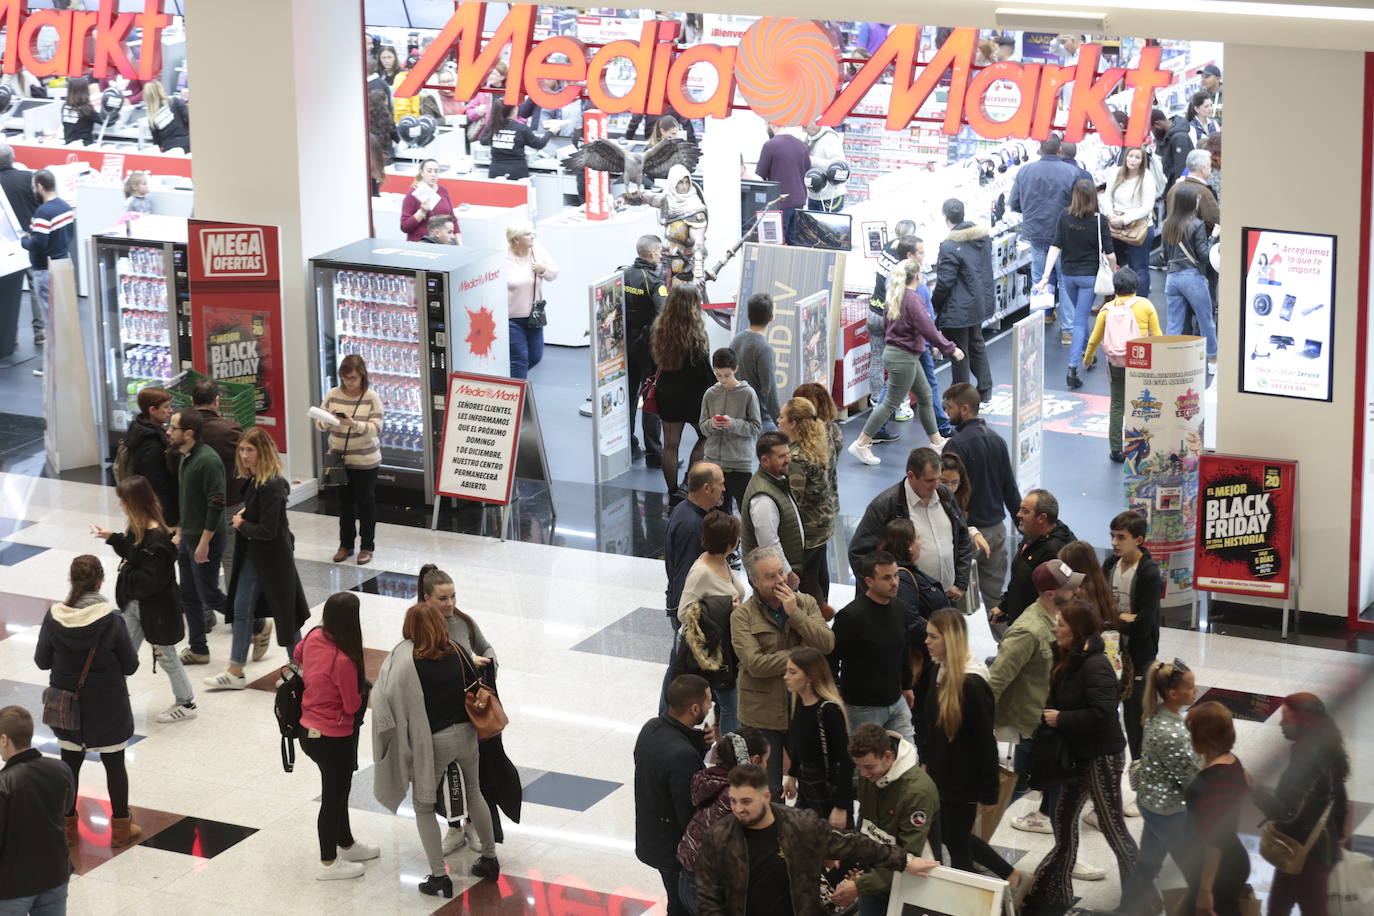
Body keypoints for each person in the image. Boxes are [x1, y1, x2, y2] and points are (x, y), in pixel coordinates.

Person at [372, 604, 500, 896]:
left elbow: (389, 700)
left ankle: (440, 876)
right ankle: (490, 858)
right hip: (467, 732)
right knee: (474, 792)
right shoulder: (456, 649)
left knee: (424, 806)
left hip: (435, 741)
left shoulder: (409, 662)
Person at [694, 762, 938, 915]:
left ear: (767, 796)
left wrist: (904, 860)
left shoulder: (800, 826)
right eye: (734, 801)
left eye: (746, 801)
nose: (738, 809)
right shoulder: (719, 836)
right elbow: (707, 895)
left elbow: (851, 843)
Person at [1020, 600, 1138, 914]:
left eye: (1061, 624)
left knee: (1113, 828)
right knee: (1063, 820)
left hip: (1101, 757)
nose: (1055, 628)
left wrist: (1063, 719)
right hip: (1078, 756)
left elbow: (1104, 712)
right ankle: (1051, 893)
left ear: (1077, 630)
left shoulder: (1096, 663)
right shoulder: (1069, 658)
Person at [35, 556, 142, 849]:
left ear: (72, 581)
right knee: (114, 764)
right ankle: (120, 828)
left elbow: (41, 661)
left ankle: (68, 828)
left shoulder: (54, 617)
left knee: (69, 764)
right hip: (108, 706)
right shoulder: (112, 619)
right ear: (100, 581)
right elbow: (130, 665)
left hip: (67, 706)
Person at [415, 564, 515, 848]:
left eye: (453, 597)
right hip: (438, 713)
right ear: (426, 598)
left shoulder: (464, 622)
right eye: (443, 599)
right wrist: (466, 663)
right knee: (445, 776)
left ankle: (472, 824)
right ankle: (453, 826)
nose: (450, 604)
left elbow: (487, 648)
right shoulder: (419, 627)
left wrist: (486, 663)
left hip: (469, 712)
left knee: (475, 773)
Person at [921, 609, 1021, 892]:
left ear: (949, 639)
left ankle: (978, 892)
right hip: (941, 771)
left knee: (956, 842)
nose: (926, 641)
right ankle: (1011, 876)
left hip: (964, 778)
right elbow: (933, 725)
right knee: (952, 836)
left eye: (932, 636)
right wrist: (928, 762)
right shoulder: (937, 670)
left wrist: (989, 790)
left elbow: (984, 741)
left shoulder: (973, 682)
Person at [206, 427, 310, 688]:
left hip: (273, 559)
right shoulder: (255, 482)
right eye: (241, 450)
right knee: (242, 609)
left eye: (249, 450)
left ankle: (298, 667)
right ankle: (235, 669)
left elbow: (268, 530)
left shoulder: (272, 485)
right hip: (255, 557)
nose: (243, 455)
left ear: (261, 452)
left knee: (286, 613)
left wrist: (241, 524)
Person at [92, 475, 196, 723]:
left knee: (167, 657)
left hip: (156, 610)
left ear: (135, 502)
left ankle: (186, 703)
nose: (121, 505)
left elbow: (150, 580)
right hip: (135, 605)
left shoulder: (156, 539)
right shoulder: (138, 530)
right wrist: (112, 538)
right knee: (122, 653)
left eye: (123, 501)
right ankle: (113, 698)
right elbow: (131, 551)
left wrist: (126, 569)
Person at [732, 547, 834, 795]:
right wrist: (802, 655)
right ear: (754, 581)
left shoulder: (806, 603)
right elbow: (756, 665)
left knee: (816, 786)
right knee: (767, 791)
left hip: (803, 709)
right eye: (770, 576)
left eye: (781, 573)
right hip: (761, 716)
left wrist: (796, 615)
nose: (780, 580)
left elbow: (827, 644)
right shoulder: (742, 617)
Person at [294, 593, 378, 880]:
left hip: (308, 730)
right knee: (333, 798)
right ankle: (329, 862)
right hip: (334, 738)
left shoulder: (315, 635)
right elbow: (352, 705)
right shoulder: (344, 659)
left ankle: (346, 843)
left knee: (338, 790)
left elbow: (297, 654)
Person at [993, 560, 1079, 835]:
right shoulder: (1028, 630)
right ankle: (971, 839)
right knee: (1018, 784)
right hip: (1033, 726)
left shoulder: (1057, 618)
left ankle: (1065, 853)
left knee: (1055, 786)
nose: (1075, 591)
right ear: (1050, 593)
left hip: (1053, 724)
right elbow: (996, 679)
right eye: (1069, 587)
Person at [849, 257, 962, 465]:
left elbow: (892, 325)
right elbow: (926, 327)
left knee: (926, 396)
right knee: (890, 402)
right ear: (918, 276)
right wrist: (950, 348)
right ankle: (861, 443)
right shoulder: (912, 299)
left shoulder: (896, 295)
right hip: (903, 357)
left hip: (901, 354)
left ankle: (936, 442)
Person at [829, 724, 941, 915]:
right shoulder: (872, 775)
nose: (863, 774)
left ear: (888, 756)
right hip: (875, 878)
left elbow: (908, 857)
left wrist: (860, 886)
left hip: (912, 883)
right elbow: (864, 824)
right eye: (859, 767)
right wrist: (849, 855)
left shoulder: (917, 792)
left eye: (868, 767)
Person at [1256, 693, 1351, 916]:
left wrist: (1254, 792)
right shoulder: (1322, 746)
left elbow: (1288, 812)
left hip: (1308, 851)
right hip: (1301, 847)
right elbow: (1339, 796)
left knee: (1309, 908)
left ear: (1304, 722)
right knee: (1279, 904)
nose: (1280, 724)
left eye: (1286, 720)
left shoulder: (1309, 758)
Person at [1120, 659, 1199, 916]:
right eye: (1191, 686)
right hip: (1169, 811)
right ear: (1173, 693)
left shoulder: (1157, 717)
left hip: (1153, 803)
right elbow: (1188, 779)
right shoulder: (1172, 731)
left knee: (1147, 864)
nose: (1195, 690)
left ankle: (1127, 909)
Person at [849, 447, 973, 608]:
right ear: (911, 476)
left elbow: (963, 537)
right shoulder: (885, 505)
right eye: (929, 480)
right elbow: (858, 553)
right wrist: (886, 594)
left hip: (945, 598)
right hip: (907, 603)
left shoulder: (945, 496)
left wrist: (961, 582)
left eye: (938, 479)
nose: (936, 485)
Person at [635, 674, 714, 916]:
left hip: (652, 837)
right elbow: (689, 812)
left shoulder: (650, 728)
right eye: (709, 702)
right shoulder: (682, 756)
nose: (711, 706)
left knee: (675, 900)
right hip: (675, 850)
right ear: (694, 708)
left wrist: (698, 744)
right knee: (683, 906)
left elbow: (666, 764)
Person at [942, 381, 1020, 614]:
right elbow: (1010, 487)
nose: (947, 413)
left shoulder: (956, 444)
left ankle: (954, 647)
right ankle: (1006, 646)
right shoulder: (998, 440)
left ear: (964, 409)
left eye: (950, 408)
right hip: (997, 530)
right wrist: (1022, 524)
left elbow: (948, 494)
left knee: (953, 596)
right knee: (996, 598)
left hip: (968, 533)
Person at [677, 729, 769, 914]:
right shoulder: (738, 799)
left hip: (688, 878)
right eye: (766, 760)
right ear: (755, 761)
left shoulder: (710, 780)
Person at [1037, 178, 1117, 385]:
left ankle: (1086, 351)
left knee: (1079, 315)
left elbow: (1055, 246)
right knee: (1080, 320)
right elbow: (1109, 252)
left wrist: (1046, 276)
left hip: (1068, 276)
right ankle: (1072, 368)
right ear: (1093, 196)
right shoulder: (1099, 221)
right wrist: (1114, 271)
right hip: (1089, 278)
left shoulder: (1065, 216)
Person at [830, 551, 914, 741]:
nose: (894, 582)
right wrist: (836, 697)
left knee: (908, 758)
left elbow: (903, 651)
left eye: (895, 576)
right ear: (869, 581)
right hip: (862, 708)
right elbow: (831, 659)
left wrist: (907, 685)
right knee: (867, 766)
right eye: (886, 578)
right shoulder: (850, 616)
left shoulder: (900, 609)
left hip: (896, 701)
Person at [676, 509, 746, 734]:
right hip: (707, 650)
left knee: (729, 702)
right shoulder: (701, 572)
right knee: (730, 704)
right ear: (729, 543)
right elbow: (684, 612)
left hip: (724, 644)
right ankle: (729, 753)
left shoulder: (722, 562)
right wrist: (725, 608)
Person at [1100, 510, 1162, 761]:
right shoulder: (1110, 565)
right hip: (1110, 650)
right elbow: (1100, 608)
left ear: (1138, 540)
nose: (1114, 542)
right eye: (1112, 536)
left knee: (1136, 718)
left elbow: (1143, 625)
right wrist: (1121, 618)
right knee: (1105, 708)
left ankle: (1140, 769)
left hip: (1140, 655)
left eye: (1121, 537)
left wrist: (1113, 620)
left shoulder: (1149, 573)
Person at [0, 705, 74, 913]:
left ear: (5, 739)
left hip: (13, 886)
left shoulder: (4, 783)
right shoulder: (61, 769)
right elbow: (66, 809)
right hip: (55, 873)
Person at [1082, 268, 1161, 462]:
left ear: (1114, 288)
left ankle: (1116, 450)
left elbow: (1093, 340)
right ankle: (1143, 447)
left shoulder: (1106, 311)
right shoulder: (1146, 306)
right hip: (1142, 363)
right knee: (1144, 404)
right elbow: (1158, 336)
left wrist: (1088, 359)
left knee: (1118, 405)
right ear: (1136, 286)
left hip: (1116, 362)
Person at [1180, 702, 1251, 916]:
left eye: (1191, 730)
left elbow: (1215, 839)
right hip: (1224, 863)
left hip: (1218, 871)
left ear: (1203, 735)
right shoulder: (1231, 761)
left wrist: (1205, 890)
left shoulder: (1216, 779)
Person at [169, 408, 227, 665]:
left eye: (173, 428)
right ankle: (198, 648)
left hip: (206, 539)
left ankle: (257, 623)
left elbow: (216, 504)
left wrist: (203, 543)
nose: (169, 432)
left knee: (209, 595)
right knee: (189, 595)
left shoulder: (208, 461)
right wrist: (180, 530)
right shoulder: (186, 456)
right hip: (189, 537)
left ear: (189, 433)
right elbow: (188, 501)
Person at [1009, 136, 1081, 334]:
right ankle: (1068, 330)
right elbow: (1080, 205)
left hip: (1036, 233)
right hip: (1066, 235)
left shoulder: (1024, 171)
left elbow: (1014, 203)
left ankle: (1037, 326)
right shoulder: (1072, 172)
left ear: (1039, 150)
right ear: (1059, 150)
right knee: (1066, 281)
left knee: (1041, 278)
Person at [317, 354, 384, 565]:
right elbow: (319, 423)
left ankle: (367, 547)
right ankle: (345, 545)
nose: (349, 382)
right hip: (338, 458)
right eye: (345, 378)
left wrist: (353, 424)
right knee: (344, 504)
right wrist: (329, 420)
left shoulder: (371, 397)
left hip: (365, 460)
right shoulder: (333, 394)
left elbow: (376, 429)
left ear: (362, 375)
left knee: (366, 503)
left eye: (353, 378)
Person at [652, 284, 715, 501]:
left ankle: (672, 491)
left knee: (670, 444)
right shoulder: (696, 334)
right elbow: (704, 374)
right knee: (707, 435)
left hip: (667, 393)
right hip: (693, 396)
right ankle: (688, 483)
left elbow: (653, 361)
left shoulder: (659, 328)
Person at [780, 647, 852, 828]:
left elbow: (846, 759)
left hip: (829, 790)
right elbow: (799, 745)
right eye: (787, 671)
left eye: (792, 672)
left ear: (810, 677)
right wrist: (792, 775)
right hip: (807, 786)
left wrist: (841, 806)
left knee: (834, 848)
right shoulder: (799, 704)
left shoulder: (829, 710)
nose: (786, 676)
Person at [778, 397, 838, 605]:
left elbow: (793, 502)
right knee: (820, 571)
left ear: (793, 423)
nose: (778, 420)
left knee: (808, 579)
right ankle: (824, 611)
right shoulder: (819, 441)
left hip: (809, 530)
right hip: (824, 523)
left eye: (782, 417)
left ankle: (816, 620)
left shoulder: (795, 458)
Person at [932, 198, 996, 395]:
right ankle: (985, 389)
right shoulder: (982, 238)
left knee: (959, 351)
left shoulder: (949, 246)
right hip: (978, 301)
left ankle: (961, 396)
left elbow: (945, 282)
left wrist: (934, 304)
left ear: (945, 217)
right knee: (976, 343)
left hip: (958, 308)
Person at [991, 489, 1076, 626]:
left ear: (1041, 518)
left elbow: (1055, 597)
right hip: (1021, 618)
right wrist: (1005, 605)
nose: (1018, 514)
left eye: (1025, 511)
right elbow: (1022, 579)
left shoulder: (1057, 552)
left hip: (1035, 627)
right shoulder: (1033, 532)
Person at [191, 379, 245, 580]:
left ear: (192, 400)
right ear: (217, 401)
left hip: (196, 506)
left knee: (201, 561)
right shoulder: (231, 429)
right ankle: (233, 607)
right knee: (231, 558)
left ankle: (205, 609)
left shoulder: (184, 431)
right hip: (229, 500)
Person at [1162, 182, 1218, 367]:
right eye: (1197, 198)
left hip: (1172, 278)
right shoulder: (1197, 224)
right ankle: (1212, 359)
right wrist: (1214, 237)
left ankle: (1170, 362)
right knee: (1205, 319)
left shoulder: (1167, 224)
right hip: (1192, 278)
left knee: (1174, 323)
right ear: (1190, 202)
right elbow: (1204, 255)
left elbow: (1164, 255)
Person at [699, 347, 762, 513]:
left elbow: (756, 426)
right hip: (713, 463)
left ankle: (745, 540)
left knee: (746, 511)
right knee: (717, 513)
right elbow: (703, 428)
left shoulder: (748, 394)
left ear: (736, 369)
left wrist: (733, 424)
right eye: (718, 375)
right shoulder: (710, 394)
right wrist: (712, 424)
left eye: (727, 375)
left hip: (739, 464)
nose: (723, 379)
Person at [739, 433, 806, 588]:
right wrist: (787, 573)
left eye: (788, 454)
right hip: (774, 578)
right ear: (764, 460)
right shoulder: (763, 498)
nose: (788, 459)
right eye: (781, 456)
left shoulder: (776, 479)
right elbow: (769, 544)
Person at [623, 235, 667, 466]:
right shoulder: (655, 283)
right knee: (651, 396)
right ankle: (654, 452)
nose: (661, 255)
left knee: (629, 396)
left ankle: (629, 445)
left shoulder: (623, 274)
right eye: (659, 252)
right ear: (651, 254)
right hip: (649, 346)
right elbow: (664, 317)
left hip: (627, 344)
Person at [22, 169, 73, 361]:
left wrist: (24, 241)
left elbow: (38, 243)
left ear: (40, 187)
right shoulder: (65, 207)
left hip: (45, 269)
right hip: (63, 264)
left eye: (34, 186)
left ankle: (54, 363)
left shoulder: (43, 212)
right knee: (61, 314)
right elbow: (69, 235)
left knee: (50, 317)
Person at [666, 463, 727, 620]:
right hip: (691, 613)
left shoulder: (683, 508)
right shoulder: (692, 526)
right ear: (707, 488)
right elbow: (688, 574)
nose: (724, 489)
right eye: (721, 484)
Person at [634, 165, 709, 284]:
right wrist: (625, 199)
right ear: (673, 183)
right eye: (680, 182)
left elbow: (699, 243)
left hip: (683, 269)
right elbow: (648, 198)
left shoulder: (695, 209)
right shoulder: (669, 200)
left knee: (680, 299)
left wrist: (698, 271)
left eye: (686, 182)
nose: (684, 186)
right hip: (665, 263)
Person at [505, 220, 558, 379]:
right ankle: (516, 398)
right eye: (528, 234)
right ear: (516, 239)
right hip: (511, 318)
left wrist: (543, 270)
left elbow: (554, 273)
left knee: (535, 356)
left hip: (535, 314)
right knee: (519, 360)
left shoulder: (536, 249)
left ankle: (509, 381)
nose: (532, 237)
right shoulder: (502, 256)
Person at [123, 386, 179, 526]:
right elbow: (157, 483)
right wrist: (170, 518)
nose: (170, 410)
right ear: (152, 410)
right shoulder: (151, 443)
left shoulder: (139, 429)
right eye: (166, 407)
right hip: (158, 509)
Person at [1106, 148, 1158, 298]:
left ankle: (1140, 305)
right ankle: (1110, 301)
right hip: (1114, 226)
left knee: (1139, 268)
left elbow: (1147, 207)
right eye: (1131, 156)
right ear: (1125, 157)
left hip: (1138, 229)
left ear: (1143, 161)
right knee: (1111, 266)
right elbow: (1107, 197)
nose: (1133, 160)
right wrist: (1110, 215)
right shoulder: (1116, 173)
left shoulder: (1146, 177)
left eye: (1137, 157)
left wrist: (1124, 219)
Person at [728, 294, 782, 430]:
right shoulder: (764, 348)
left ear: (748, 315)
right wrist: (780, 421)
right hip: (759, 417)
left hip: (736, 412)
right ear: (771, 317)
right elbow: (769, 391)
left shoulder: (736, 340)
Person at [0, 145, 36, 343]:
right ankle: (40, 330)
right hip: (30, 240)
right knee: (35, 286)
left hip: (4, 244)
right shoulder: (27, 177)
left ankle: (7, 334)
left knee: (7, 291)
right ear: (13, 159)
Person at [755, 126, 810, 243]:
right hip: (799, 201)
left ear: (772, 124)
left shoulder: (769, 145)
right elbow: (808, 172)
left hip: (779, 204)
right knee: (794, 243)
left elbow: (759, 176)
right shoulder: (801, 144)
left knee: (776, 243)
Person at [487, 103, 551, 180]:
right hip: (517, 172)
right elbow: (539, 144)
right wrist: (550, 132)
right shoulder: (521, 128)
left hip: (495, 171)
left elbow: (483, 141)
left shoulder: (493, 126)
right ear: (514, 110)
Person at [1166, 148, 1221, 233]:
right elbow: (1215, 220)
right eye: (1210, 165)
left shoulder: (1174, 188)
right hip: (1198, 241)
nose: (1211, 169)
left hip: (1174, 239)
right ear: (1203, 169)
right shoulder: (1203, 192)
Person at [400, 159, 456, 243]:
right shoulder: (413, 194)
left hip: (443, 244)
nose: (433, 174)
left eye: (436, 171)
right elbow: (405, 227)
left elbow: (453, 219)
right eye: (429, 171)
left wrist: (459, 242)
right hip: (421, 244)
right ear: (422, 173)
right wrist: (422, 212)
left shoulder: (443, 191)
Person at [802, 121, 846, 212]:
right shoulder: (808, 137)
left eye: (805, 126)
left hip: (831, 196)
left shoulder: (830, 138)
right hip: (813, 195)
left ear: (816, 121)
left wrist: (811, 160)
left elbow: (839, 167)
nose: (803, 129)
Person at [60, 77, 114, 146]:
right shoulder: (85, 109)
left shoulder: (65, 107)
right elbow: (106, 122)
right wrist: (113, 110)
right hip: (84, 146)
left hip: (68, 144)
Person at [142, 80, 191, 153]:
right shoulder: (175, 102)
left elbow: (156, 141)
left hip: (168, 150)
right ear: (161, 90)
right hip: (187, 145)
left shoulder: (151, 116)